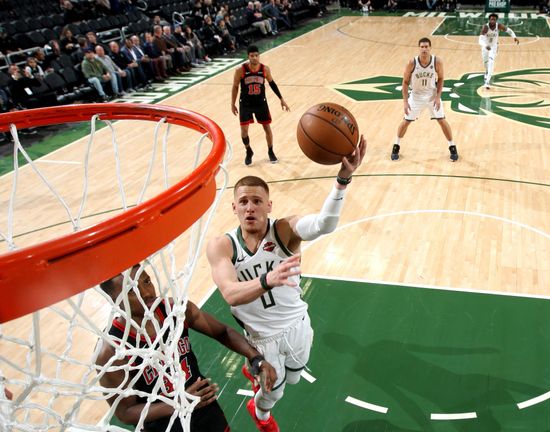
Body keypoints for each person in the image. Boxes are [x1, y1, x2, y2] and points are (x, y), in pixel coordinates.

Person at [205, 138, 367, 432]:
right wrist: (268, 280)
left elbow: (324, 225)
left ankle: (260, 380)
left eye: (256, 201)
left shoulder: (284, 229)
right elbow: (230, 294)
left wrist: (342, 181)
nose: (250, 207)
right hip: (261, 339)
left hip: (297, 324)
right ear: (234, 207)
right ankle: (261, 414)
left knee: (294, 377)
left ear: (269, 205)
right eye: (243, 202)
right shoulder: (222, 246)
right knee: (273, 394)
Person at [96, 264, 277, 432]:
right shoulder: (111, 351)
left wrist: (256, 359)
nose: (147, 293)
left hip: (204, 408)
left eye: (147, 281)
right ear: (113, 299)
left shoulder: (175, 310)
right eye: (132, 291)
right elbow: (125, 412)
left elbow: (223, 332)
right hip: (164, 425)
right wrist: (179, 402)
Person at [391, 37, 458, 162]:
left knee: (442, 120)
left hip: (431, 95)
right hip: (416, 96)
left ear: (430, 48)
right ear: (419, 48)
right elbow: (405, 83)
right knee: (406, 122)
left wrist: (438, 97)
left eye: (426, 46)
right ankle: (396, 145)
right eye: (422, 47)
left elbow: (441, 79)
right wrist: (405, 102)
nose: (424, 49)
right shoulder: (411, 63)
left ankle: (452, 146)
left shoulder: (437, 62)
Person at [231, 44, 289, 166]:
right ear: (248, 57)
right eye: (252, 56)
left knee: (267, 128)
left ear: (259, 56)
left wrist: (281, 99)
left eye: (256, 55)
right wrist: (232, 103)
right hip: (245, 103)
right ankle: (248, 151)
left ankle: (271, 151)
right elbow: (235, 86)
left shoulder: (265, 69)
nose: (254, 58)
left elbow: (272, 84)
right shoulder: (240, 70)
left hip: (260, 103)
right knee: (244, 131)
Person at [479, 13, 519, 90]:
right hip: (485, 46)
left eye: (494, 19)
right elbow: (480, 39)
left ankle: (487, 82)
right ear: (489, 20)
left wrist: (514, 37)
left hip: (494, 46)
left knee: (491, 61)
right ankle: (487, 72)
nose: (493, 20)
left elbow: (509, 30)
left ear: (496, 20)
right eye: (491, 19)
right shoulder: (485, 27)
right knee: (485, 62)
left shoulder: (499, 26)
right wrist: (485, 45)